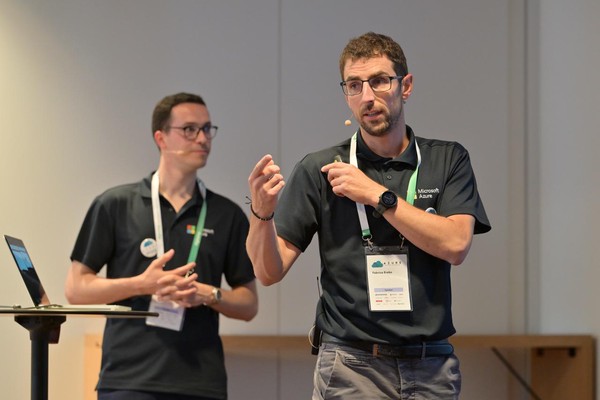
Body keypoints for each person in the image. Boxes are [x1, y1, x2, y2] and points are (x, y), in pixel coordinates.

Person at [246, 32, 491, 399]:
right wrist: (261, 214)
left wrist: (377, 195)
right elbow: (268, 271)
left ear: (405, 86)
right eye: (354, 85)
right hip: (351, 364)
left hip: (432, 366)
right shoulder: (321, 169)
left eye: (379, 81)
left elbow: (455, 244)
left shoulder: (447, 160)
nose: (367, 96)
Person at [65, 92, 258, 400]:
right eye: (189, 129)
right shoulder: (115, 204)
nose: (202, 138)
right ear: (161, 138)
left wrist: (207, 294)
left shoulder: (227, 214)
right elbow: (76, 289)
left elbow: (248, 304)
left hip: (200, 384)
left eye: (207, 129)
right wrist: (142, 284)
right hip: (127, 380)